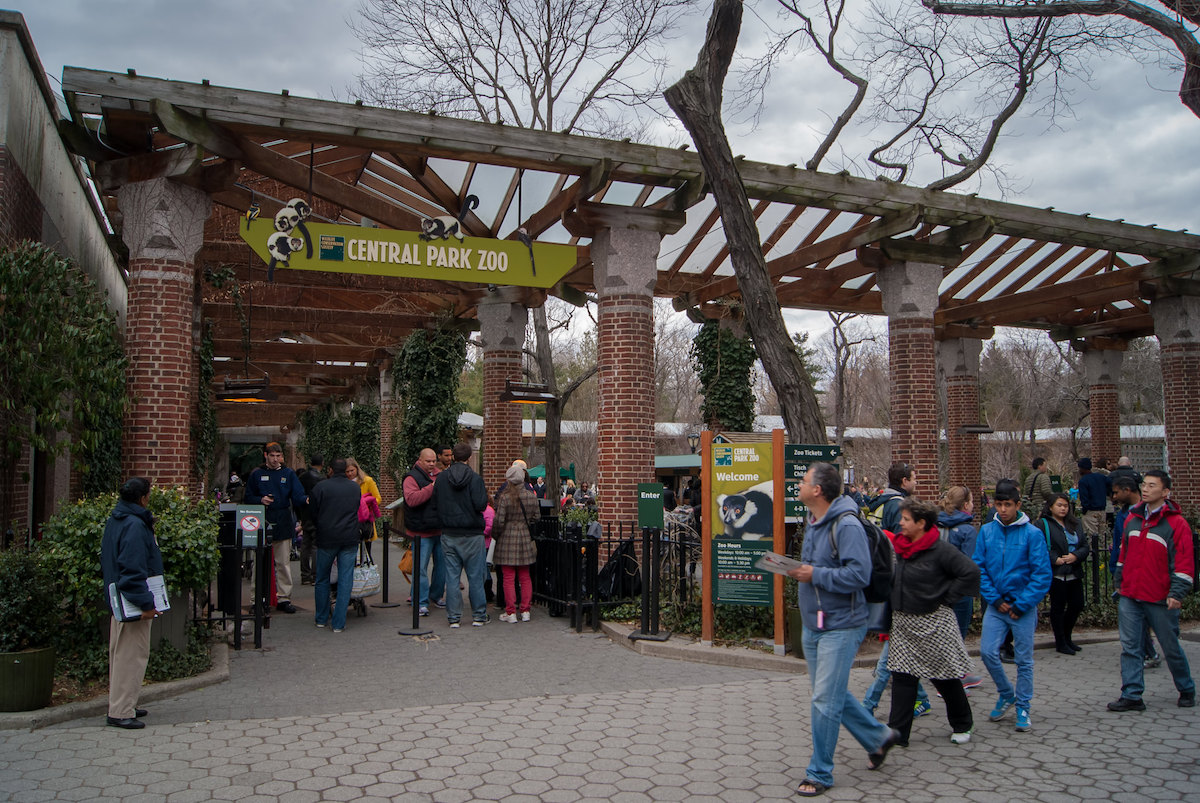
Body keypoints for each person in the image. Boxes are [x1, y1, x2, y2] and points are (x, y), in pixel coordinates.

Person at [787, 462, 898, 797]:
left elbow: (858, 575)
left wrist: (813, 574)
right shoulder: (815, 520)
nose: (799, 485)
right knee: (829, 693)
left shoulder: (846, 524)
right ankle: (878, 737)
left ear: (818, 490)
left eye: (804, 481)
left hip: (842, 624)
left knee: (824, 698)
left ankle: (819, 771)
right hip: (814, 623)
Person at [885, 498, 979, 746]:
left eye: (906, 519)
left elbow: (970, 572)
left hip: (934, 623)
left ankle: (962, 723)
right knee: (903, 678)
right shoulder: (901, 547)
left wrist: (947, 598)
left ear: (922, 523)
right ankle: (897, 733)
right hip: (904, 624)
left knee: (944, 677)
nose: (901, 523)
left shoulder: (941, 550)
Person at [1108, 469, 1196, 712]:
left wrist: (1177, 593)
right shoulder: (1132, 519)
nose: (1145, 489)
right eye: (1144, 484)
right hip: (1130, 595)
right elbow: (1124, 553)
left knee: (1170, 647)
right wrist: (1119, 581)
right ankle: (1132, 694)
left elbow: (1184, 563)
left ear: (1165, 492)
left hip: (1159, 598)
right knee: (1130, 647)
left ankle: (1186, 687)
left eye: (1152, 485)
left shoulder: (1177, 524)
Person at [974, 478, 1052, 733]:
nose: (1003, 509)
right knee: (987, 652)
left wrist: (1022, 603)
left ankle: (1023, 707)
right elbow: (980, 568)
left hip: (1022, 607)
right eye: (999, 504)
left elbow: (1041, 574)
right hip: (997, 606)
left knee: (1024, 660)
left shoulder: (1032, 534)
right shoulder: (987, 531)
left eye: (1007, 504)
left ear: (1017, 505)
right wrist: (994, 599)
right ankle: (1007, 694)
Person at [101, 477, 163, 729]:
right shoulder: (135, 526)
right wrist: (146, 603)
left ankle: (124, 702)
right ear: (143, 498)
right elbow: (133, 569)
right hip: (132, 602)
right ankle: (121, 710)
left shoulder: (117, 519)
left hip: (119, 600)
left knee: (120, 653)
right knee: (132, 655)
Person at [244, 442, 308, 614]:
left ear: (282, 456)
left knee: (283, 563)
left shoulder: (288, 474)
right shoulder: (256, 474)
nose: (275, 459)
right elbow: (248, 496)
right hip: (262, 521)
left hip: (282, 520)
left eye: (278, 455)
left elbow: (298, 495)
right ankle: (257, 598)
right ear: (266, 455)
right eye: (271, 455)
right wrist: (260, 500)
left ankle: (284, 598)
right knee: (260, 562)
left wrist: (308, 500)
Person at [434, 442, 490, 627]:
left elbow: (435, 502)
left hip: (449, 532)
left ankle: (454, 618)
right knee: (475, 576)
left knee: (452, 577)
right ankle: (479, 615)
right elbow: (481, 505)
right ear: (469, 457)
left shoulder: (441, 479)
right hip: (472, 533)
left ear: (452, 457)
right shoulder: (475, 479)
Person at [1109, 474, 1160, 668]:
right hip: (1126, 571)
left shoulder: (1146, 513)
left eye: (1116, 492)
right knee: (1134, 617)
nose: (1113, 496)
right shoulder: (1122, 514)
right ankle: (1142, 653)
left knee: (1144, 617)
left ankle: (1149, 652)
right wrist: (1115, 569)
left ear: (1127, 490)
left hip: (1145, 572)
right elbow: (1118, 543)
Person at [309, 458, 362, 633]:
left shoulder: (321, 487)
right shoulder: (354, 488)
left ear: (330, 469)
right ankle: (339, 623)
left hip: (327, 537)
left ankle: (321, 618)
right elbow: (355, 509)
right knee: (345, 579)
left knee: (322, 578)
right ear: (345, 469)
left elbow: (313, 512)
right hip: (349, 537)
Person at [1036, 493, 1089, 655]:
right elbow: (1039, 546)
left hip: (1074, 570)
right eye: (1059, 505)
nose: (1063, 508)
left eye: (1065, 505)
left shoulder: (1075, 523)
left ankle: (1067, 636)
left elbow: (1085, 546)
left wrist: (1075, 556)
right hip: (1057, 573)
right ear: (1051, 506)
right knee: (1058, 608)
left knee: (1077, 604)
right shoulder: (1042, 524)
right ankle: (1061, 641)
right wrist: (1055, 559)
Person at [493, 464, 539, 623]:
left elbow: (499, 521)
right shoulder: (531, 496)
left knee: (508, 577)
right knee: (525, 576)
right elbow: (536, 518)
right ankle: (526, 610)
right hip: (525, 537)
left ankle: (511, 612)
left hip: (507, 537)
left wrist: (496, 535)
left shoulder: (505, 497)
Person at [403, 448, 443, 616]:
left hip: (439, 528)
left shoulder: (440, 474)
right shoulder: (411, 478)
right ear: (420, 460)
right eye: (428, 461)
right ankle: (421, 601)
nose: (432, 464)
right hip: (420, 531)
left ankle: (436, 595)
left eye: (434, 461)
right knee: (420, 568)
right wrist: (432, 488)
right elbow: (412, 500)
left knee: (442, 567)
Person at [297, 454, 326, 585]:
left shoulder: (302, 477)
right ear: (322, 463)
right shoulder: (321, 479)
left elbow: (298, 496)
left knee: (305, 546)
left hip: (305, 514)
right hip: (317, 515)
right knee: (315, 546)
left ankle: (305, 575)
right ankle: (315, 575)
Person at [346, 457, 383, 557]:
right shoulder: (344, 483)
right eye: (347, 471)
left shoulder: (367, 481)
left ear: (357, 469)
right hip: (351, 519)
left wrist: (366, 504)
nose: (350, 474)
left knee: (366, 551)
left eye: (352, 470)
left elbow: (377, 498)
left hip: (364, 519)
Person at [869, 462, 914, 533]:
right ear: (905, 481)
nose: (915, 483)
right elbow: (901, 539)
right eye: (914, 479)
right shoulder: (899, 506)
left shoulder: (881, 500)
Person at [1076, 458, 1110, 544]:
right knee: (1103, 537)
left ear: (1082, 468)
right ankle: (1103, 555)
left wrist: (1084, 509)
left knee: (1091, 537)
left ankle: (1093, 556)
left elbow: (1084, 498)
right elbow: (1110, 485)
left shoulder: (1083, 481)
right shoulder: (1102, 477)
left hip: (1090, 511)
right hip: (1102, 510)